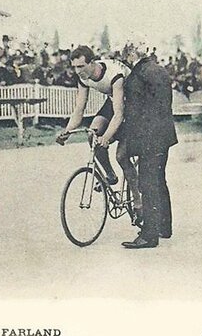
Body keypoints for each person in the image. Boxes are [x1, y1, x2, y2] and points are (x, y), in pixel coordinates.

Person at [56, 45, 141, 215]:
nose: (77, 71)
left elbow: (119, 114)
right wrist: (67, 131)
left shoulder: (113, 74)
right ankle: (110, 175)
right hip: (114, 101)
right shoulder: (84, 78)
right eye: (74, 67)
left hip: (133, 105)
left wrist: (108, 136)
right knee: (92, 133)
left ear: (92, 63)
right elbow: (79, 110)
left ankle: (138, 202)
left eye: (81, 66)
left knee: (122, 156)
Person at [120, 43, 178, 249]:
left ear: (133, 53)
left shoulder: (140, 74)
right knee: (159, 180)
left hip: (149, 137)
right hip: (164, 134)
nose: (124, 58)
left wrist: (134, 138)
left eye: (125, 54)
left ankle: (149, 235)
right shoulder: (158, 69)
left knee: (148, 183)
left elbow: (137, 111)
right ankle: (164, 226)